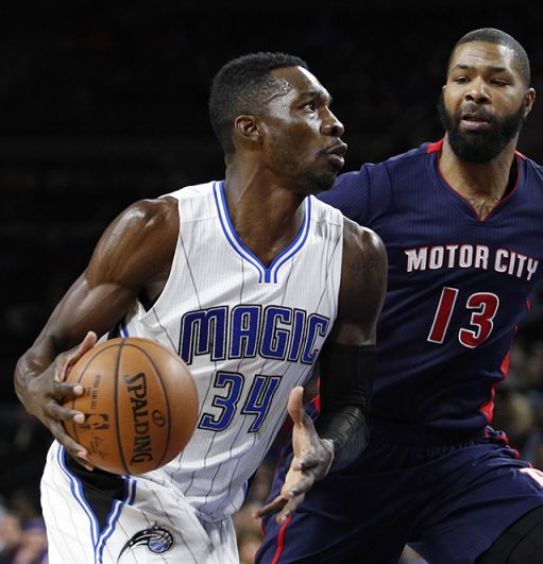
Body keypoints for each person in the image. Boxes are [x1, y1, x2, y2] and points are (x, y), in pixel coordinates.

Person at [257, 28, 543, 563]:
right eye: (462, 78)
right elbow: (264, 245)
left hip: (460, 453)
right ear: (446, 94)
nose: (476, 91)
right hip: (349, 446)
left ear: (527, 101)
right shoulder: (380, 191)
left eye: (497, 81)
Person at [13, 52, 387, 562]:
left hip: (212, 515)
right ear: (251, 129)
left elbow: (353, 403)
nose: (334, 123)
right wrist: (37, 391)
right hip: (115, 485)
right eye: (309, 107)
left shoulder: (356, 255)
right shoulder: (159, 228)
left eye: (330, 108)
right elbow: (41, 355)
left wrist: (328, 448)